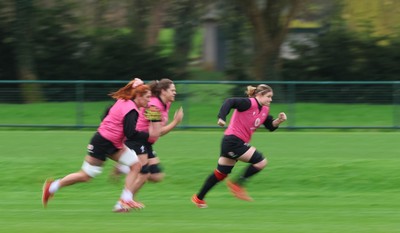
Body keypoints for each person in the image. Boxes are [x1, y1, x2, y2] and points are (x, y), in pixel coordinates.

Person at [41, 78, 162, 212]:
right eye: (147, 97)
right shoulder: (131, 109)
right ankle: (52, 187)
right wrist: (149, 135)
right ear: (138, 95)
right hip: (102, 142)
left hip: (112, 142)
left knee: (136, 165)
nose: (149, 101)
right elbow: (131, 133)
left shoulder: (124, 100)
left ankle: (124, 200)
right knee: (86, 175)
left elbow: (107, 112)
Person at [191, 84, 287, 208]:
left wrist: (279, 120)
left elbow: (270, 126)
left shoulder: (264, 109)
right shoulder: (248, 103)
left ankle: (199, 198)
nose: (271, 99)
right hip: (233, 141)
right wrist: (221, 117)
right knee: (261, 161)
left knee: (221, 174)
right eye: (268, 96)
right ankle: (237, 184)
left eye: (271, 97)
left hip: (232, 143)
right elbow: (229, 101)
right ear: (259, 95)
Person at [112, 78, 184, 206]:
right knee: (143, 174)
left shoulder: (166, 103)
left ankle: (126, 171)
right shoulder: (154, 107)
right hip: (137, 140)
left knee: (157, 176)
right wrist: (175, 122)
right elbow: (157, 132)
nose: (175, 93)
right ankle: (123, 202)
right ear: (163, 91)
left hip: (147, 142)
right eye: (172, 90)